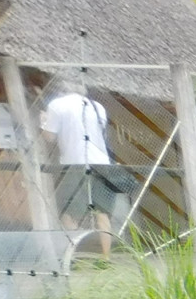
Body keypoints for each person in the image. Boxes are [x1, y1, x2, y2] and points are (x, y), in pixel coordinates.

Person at [39, 78, 133, 256]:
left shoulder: (56, 105)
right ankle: (105, 258)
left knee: (68, 212)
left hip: (74, 163)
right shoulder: (98, 107)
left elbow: (49, 137)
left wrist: (43, 121)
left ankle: (77, 252)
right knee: (102, 213)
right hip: (102, 163)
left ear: (61, 91)